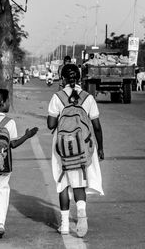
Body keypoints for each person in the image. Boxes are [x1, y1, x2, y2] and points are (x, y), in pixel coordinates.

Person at [47, 64, 104, 237]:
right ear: (79, 78)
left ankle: (64, 226)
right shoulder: (88, 98)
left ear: (62, 79)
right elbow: (96, 126)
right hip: (83, 146)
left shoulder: (57, 97)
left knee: (63, 183)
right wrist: (100, 148)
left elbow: (50, 125)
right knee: (80, 181)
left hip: (62, 147)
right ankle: (81, 213)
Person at [0, 88, 38, 238]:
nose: (9, 104)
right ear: (3, 103)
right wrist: (27, 135)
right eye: (8, 101)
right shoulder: (9, 122)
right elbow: (13, 144)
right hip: (4, 165)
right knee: (2, 190)